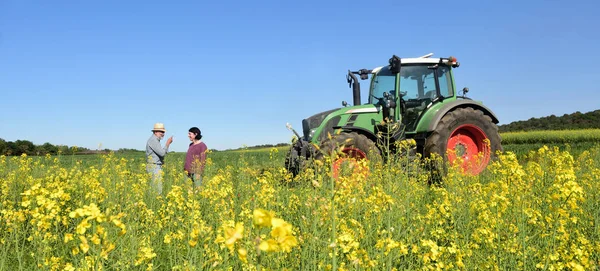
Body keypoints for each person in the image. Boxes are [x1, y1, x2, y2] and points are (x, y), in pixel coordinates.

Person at [146, 122, 173, 194]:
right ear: (155, 132)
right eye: (161, 131)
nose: (163, 133)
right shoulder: (153, 140)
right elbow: (162, 153)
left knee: (154, 189)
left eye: (163, 132)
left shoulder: (155, 140)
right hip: (154, 166)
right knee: (157, 190)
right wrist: (168, 143)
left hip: (155, 166)